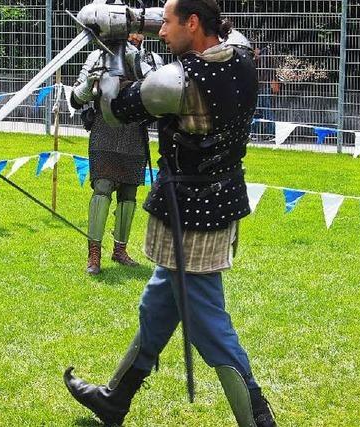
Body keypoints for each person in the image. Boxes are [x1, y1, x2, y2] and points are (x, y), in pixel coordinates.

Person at [63, 0, 277, 426]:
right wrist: (135, 24)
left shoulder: (178, 81)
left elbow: (114, 109)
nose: (161, 30)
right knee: (157, 307)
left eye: (169, 22)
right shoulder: (240, 54)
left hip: (190, 214)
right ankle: (114, 399)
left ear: (193, 23)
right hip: (216, 197)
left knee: (211, 330)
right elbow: (192, 36)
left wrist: (112, 49)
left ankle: (258, 421)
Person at [72, 34, 163, 275]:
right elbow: (75, 99)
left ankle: (120, 249)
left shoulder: (153, 61)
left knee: (129, 193)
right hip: (105, 131)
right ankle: (94, 254)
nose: (133, 34)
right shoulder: (98, 56)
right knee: (102, 188)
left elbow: (160, 100)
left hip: (134, 134)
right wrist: (91, 84)